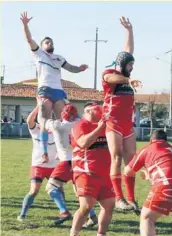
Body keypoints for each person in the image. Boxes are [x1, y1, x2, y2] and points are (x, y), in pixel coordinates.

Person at [20, 11, 88, 163]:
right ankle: (44, 153)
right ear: (42, 46)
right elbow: (29, 39)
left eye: (51, 42)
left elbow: (71, 68)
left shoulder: (59, 58)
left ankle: (60, 150)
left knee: (62, 121)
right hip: (45, 89)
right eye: (47, 42)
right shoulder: (39, 54)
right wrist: (25, 25)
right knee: (43, 120)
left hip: (58, 91)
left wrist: (80, 68)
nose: (49, 44)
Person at [102, 16, 142, 212]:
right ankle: (118, 198)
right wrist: (129, 80)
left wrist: (129, 30)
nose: (131, 68)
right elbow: (110, 77)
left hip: (127, 124)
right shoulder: (111, 73)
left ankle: (132, 199)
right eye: (129, 66)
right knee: (116, 157)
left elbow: (128, 50)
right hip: (113, 123)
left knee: (131, 160)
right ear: (122, 65)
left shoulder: (125, 70)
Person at [65, 102, 115, 236]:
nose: (100, 112)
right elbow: (83, 143)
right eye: (96, 110)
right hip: (85, 172)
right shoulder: (80, 125)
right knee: (86, 206)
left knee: (109, 206)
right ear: (87, 111)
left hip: (105, 174)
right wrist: (99, 128)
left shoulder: (106, 125)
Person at [17, 105, 58, 222]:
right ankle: (22, 214)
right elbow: (29, 120)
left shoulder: (55, 128)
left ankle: (63, 213)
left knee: (58, 191)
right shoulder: (36, 128)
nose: (46, 115)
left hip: (54, 165)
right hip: (38, 165)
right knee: (34, 190)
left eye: (48, 113)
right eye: (44, 113)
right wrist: (38, 107)